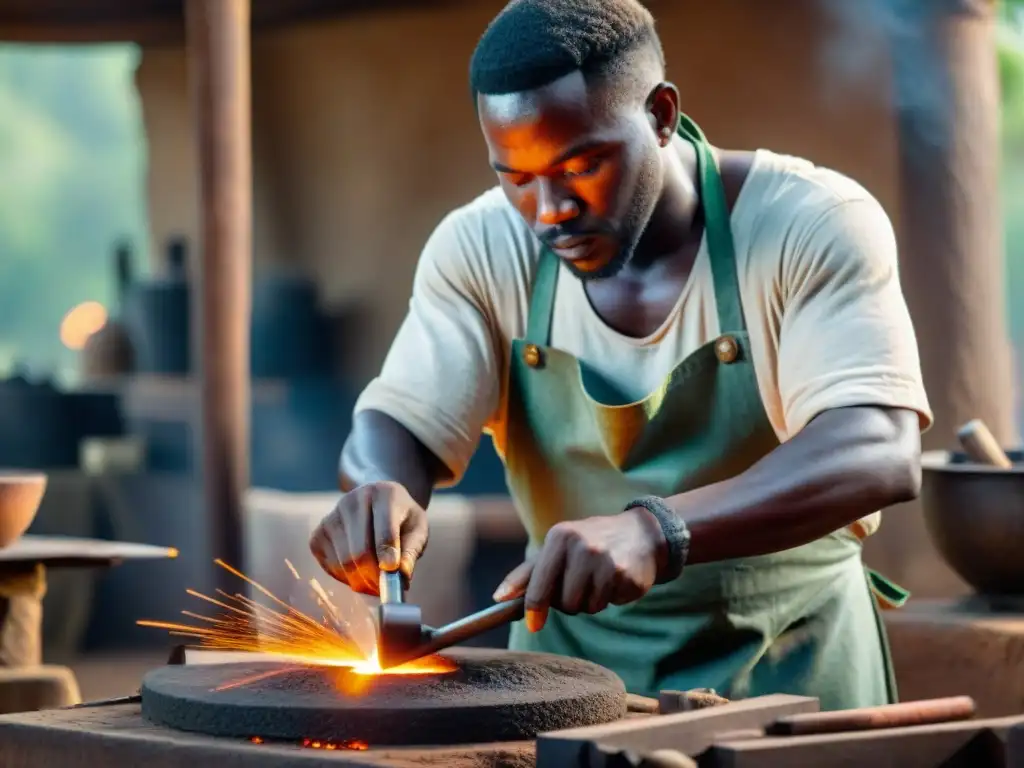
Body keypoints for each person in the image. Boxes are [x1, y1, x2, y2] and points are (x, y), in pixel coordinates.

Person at [309, 0, 932, 709]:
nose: (548, 210)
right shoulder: (481, 249)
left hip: (791, 677)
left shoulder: (810, 223)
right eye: (515, 177)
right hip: (560, 693)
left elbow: (877, 450)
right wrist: (378, 491)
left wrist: (657, 531)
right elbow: (397, 427)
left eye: (582, 164)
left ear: (661, 115)